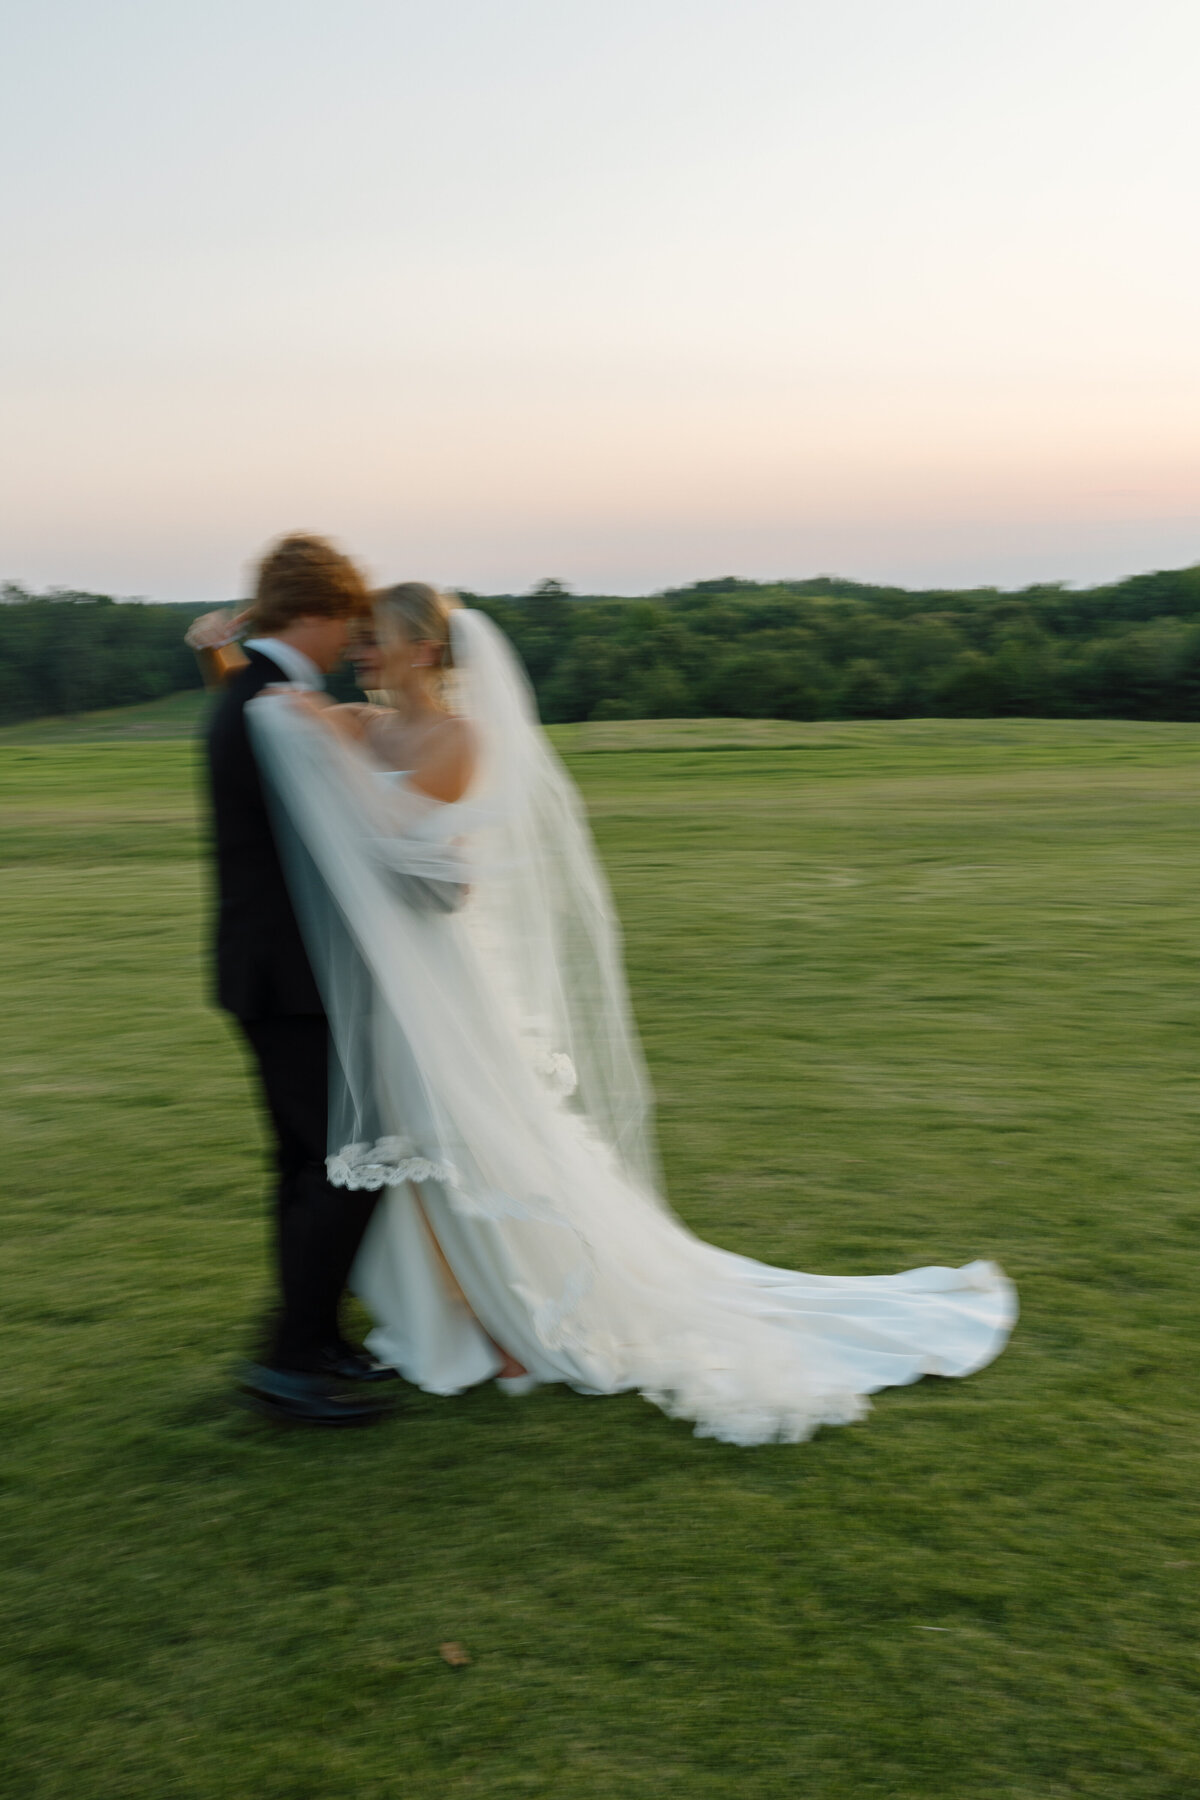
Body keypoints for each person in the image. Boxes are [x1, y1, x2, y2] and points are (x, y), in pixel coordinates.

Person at [246, 583, 1017, 1446]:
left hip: (442, 971)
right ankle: (459, 1307)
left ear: (423, 650)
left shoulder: (461, 739)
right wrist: (232, 658)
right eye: (356, 642)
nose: (360, 652)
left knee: (468, 1132)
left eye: (375, 639)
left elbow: (386, 828)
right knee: (415, 1144)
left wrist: (324, 734)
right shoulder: (361, 722)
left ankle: (514, 1312)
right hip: (389, 978)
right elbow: (281, 730)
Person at [204, 533, 400, 1425]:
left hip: (266, 972)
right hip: (294, 976)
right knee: (359, 1160)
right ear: (314, 612)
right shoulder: (281, 703)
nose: (348, 644)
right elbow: (348, 841)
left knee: (304, 1163)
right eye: (345, 623)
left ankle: (313, 1339)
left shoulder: (249, 689)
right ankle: (292, 1359)